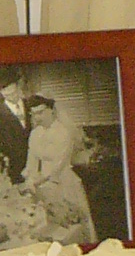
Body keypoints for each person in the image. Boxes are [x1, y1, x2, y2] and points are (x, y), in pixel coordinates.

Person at [23, 94, 97, 244]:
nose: (37, 117)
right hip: (42, 184)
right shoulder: (35, 134)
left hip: (63, 181)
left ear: (51, 110)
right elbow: (32, 160)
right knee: (47, 226)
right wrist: (30, 178)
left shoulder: (63, 132)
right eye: (33, 114)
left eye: (41, 112)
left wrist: (40, 181)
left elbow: (59, 163)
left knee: (70, 227)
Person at [0, 79, 31, 180]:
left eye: (14, 93)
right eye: (8, 95)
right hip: (12, 165)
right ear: (1, 92)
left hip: (35, 161)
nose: (13, 97)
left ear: (18, 88)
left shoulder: (30, 105)